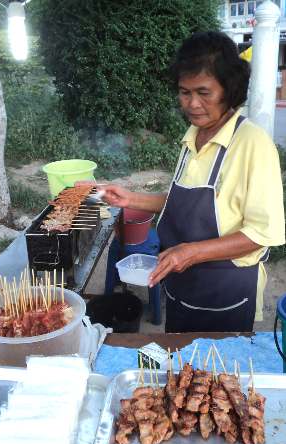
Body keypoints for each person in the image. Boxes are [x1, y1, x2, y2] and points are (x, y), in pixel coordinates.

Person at [81, 31, 285, 332]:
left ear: (229, 89)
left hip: (225, 295)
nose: (192, 104)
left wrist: (191, 252)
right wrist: (130, 198)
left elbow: (262, 234)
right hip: (180, 286)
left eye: (204, 93)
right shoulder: (193, 136)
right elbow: (183, 201)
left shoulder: (252, 144)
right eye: (184, 92)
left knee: (213, 376)